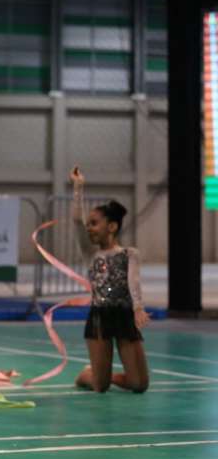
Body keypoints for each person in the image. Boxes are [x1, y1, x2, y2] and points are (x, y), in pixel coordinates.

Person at [70, 167, 149, 393]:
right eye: (89, 224)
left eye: (94, 223)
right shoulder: (90, 253)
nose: (89, 228)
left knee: (139, 385)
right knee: (99, 386)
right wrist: (78, 187)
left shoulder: (130, 254)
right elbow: (76, 220)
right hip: (99, 318)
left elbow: (133, 282)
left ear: (112, 227)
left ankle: (105, 373)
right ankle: (87, 375)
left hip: (124, 317)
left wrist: (138, 308)